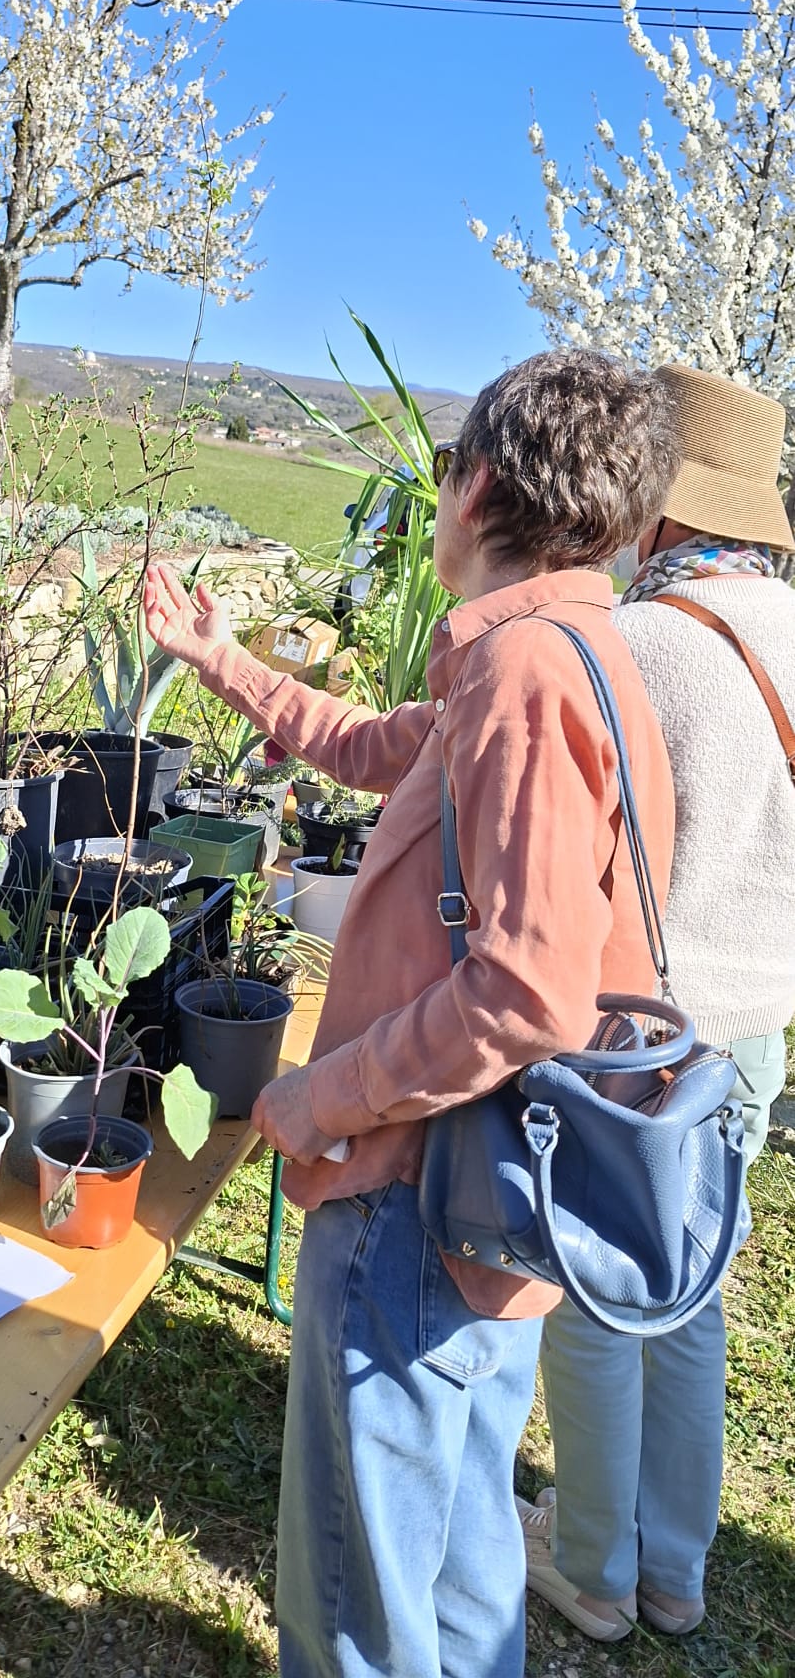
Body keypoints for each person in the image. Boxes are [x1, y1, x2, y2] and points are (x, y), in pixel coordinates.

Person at [144, 349, 680, 1678]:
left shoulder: (524, 673)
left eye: (443, 471)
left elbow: (527, 990)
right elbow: (381, 747)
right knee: (453, 1544)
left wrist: (312, 1098)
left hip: (416, 1192)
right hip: (487, 1197)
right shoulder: (560, 651)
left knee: (358, 1586)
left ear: (476, 484)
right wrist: (223, 662)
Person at [519, 365, 795, 1643]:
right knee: (690, 1295)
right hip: (754, 1030)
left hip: (640, 1031)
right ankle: (675, 1571)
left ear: (662, 505)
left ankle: (591, 1568)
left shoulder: (641, 639)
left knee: (595, 1292)